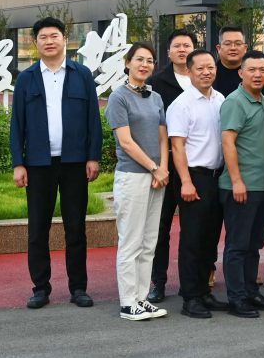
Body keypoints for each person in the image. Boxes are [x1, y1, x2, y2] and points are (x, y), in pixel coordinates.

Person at [10, 16, 102, 310]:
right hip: (38, 164)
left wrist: (93, 156)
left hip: (75, 162)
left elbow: (93, 119)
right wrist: (18, 163)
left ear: (64, 39)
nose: (49, 41)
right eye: (43, 37)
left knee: (76, 228)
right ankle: (40, 288)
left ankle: (78, 288)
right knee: (38, 229)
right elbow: (17, 124)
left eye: (54, 36)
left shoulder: (82, 74)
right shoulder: (26, 78)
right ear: (35, 42)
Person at [106, 42, 169, 321]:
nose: (145, 64)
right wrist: (154, 168)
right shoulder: (118, 97)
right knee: (131, 241)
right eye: (139, 59)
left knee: (149, 241)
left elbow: (163, 137)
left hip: (156, 177)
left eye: (150, 60)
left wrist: (163, 168)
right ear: (128, 63)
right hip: (133, 176)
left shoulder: (155, 97)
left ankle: (142, 299)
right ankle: (128, 302)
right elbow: (126, 142)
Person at [219, 50, 264, 318]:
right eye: (252, 70)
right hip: (240, 186)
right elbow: (228, 142)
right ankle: (236, 298)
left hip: (261, 185)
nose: (258, 75)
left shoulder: (262, 99)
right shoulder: (235, 101)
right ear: (240, 73)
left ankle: (250, 292)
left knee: (254, 244)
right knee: (237, 245)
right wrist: (236, 181)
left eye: (262, 70)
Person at [167, 49, 228, 319]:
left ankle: (204, 291)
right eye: (200, 68)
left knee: (210, 238)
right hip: (194, 178)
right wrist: (186, 182)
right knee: (192, 239)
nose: (206, 72)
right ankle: (190, 297)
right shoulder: (181, 105)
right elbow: (177, 147)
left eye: (210, 67)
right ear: (189, 71)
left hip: (217, 177)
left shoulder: (220, 99)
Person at [148, 29, 197, 303]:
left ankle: (193, 281)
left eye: (187, 45)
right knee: (161, 227)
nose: (182, 50)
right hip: (165, 163)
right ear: (168, 52)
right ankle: (158, 282)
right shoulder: (156, 82)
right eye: (177, 46)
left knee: (194, 227)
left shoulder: (203, 78)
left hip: (196, 165)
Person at [214, 26, 248, 96]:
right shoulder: (210, 73)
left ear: (245, 48)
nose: (233, 48)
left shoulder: (253, 74)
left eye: (238, 44)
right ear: (219, 48)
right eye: (227, 44)